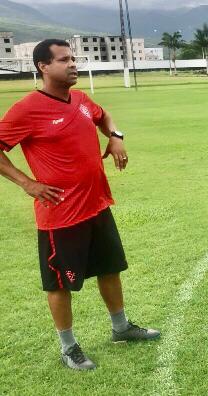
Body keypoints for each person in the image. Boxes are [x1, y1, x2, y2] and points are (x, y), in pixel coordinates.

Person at [0, 39, 160, 371]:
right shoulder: (28, 109)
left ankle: (121, 327)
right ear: (44, 67)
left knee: (109, 268)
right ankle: (68, 346)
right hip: (60, 215)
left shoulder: (82, 100)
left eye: (74, 58)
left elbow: (104, 117)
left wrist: (115, 135)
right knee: (58, 283)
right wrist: (27, 183)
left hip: (97, 207)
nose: (73, 64)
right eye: (64, 60)